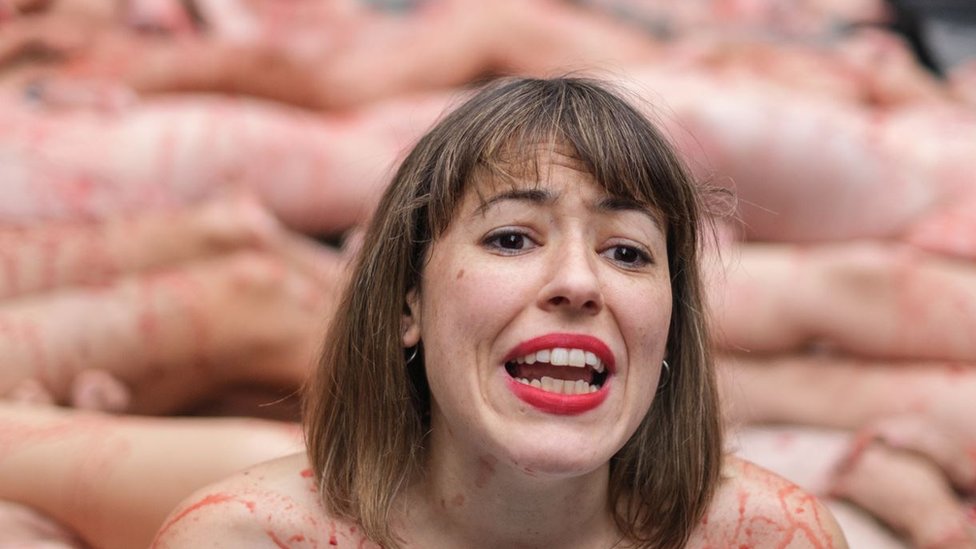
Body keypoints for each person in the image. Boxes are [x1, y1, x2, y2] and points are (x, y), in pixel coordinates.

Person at [152, 76, 846, 548]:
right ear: (406, 304)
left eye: (628, 253)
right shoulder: (249, 537)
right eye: (511, 238)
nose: (579, 281)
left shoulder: (769, 535)